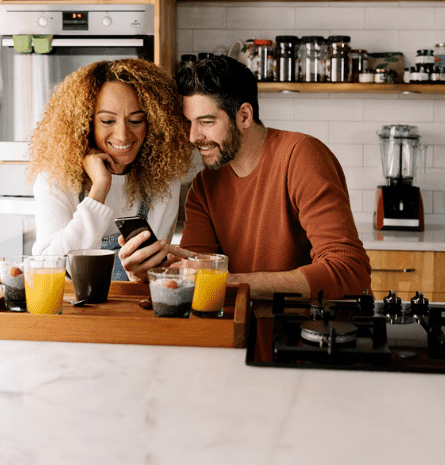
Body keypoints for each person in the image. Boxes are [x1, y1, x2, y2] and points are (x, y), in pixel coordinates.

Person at [119, 55, 371, 300]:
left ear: (244, 116)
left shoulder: (301, 156)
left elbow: (349, 271)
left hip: (308, 337)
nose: (193, 137)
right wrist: (147, 275)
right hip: (239, 337)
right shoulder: (204, 187)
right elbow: (194, 283)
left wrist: (226, 281)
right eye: (188, 123)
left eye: (206, 122)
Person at [28, 58, 194, 281]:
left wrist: (142, 273)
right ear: (86, 123)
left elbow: (151, 274)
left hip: (132, 309)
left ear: (153, 124)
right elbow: (48, 268)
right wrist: (100, 188)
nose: (123, 135)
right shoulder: (54, 178)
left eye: (136, 121)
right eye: (107, 121)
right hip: (69, 312)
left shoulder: (164, 180)